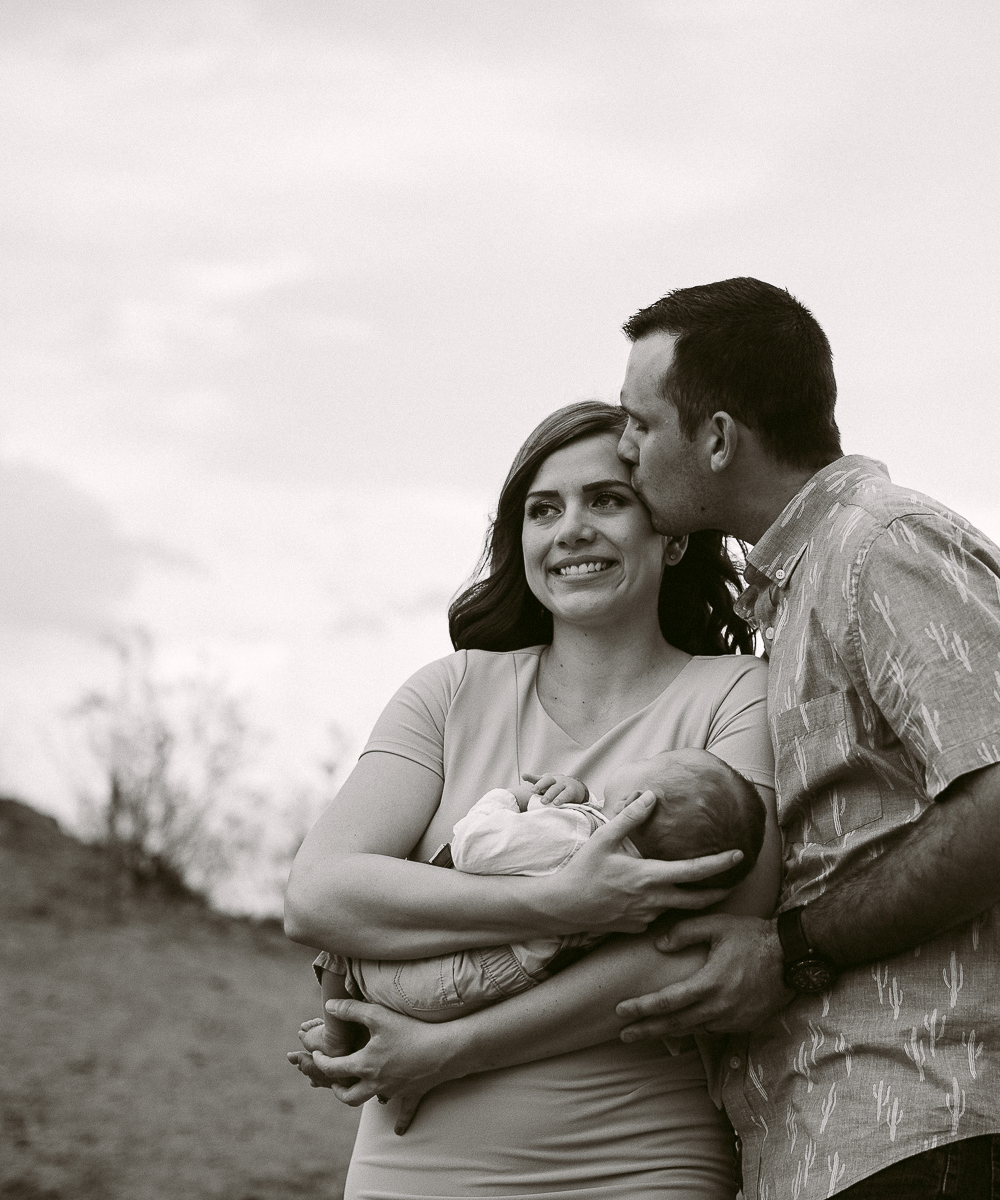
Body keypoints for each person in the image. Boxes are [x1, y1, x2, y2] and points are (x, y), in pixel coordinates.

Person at [607, 278, 1000, 1199]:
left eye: (638, 422)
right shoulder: (808, 585)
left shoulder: (883, 548)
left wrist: (790, 950)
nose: (623, 449)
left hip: (953, 1128)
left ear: (716, 437)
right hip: (876, 1138)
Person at [283, 400, 781, 1200]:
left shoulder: (737, 696)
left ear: (674, 534)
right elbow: (318, 894)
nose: (571, 529)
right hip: (415, 1166)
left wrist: (450, 1050)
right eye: (543, 509)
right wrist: (562, 900)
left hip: (639, 1163)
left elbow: (706, 945)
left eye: (607, 500)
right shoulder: (449, 693)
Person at [308, 748, 764, 1052]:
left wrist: (511, 798)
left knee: (346, 940)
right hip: (503, 985)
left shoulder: (571, 833)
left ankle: (337, 1036)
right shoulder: (647, 891)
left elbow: (474, 846)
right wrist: (578, 798)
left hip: (451, 973)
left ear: (635, 801)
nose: (644, 753)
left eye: (657, 757)